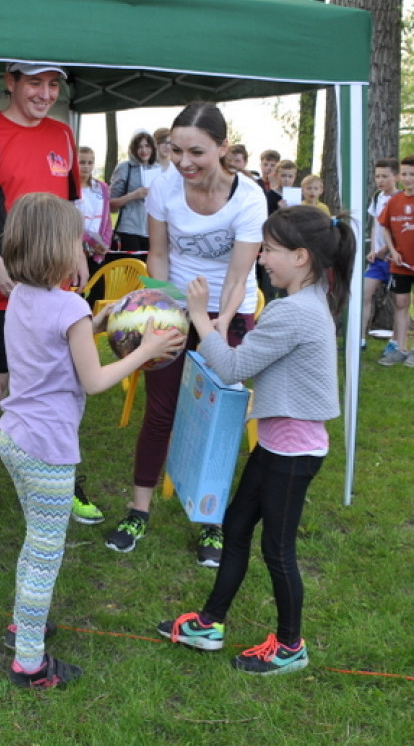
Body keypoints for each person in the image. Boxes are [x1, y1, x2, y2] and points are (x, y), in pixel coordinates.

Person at [157, 205, 355, 676]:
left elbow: (230, 368)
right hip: (277, 444)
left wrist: (201, 318)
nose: (263, 258)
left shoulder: (292, 312)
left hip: (294, 452)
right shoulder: (311, 300)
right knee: (237, 525)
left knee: (277, 550)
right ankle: (210, 623)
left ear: (302, 257)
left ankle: (291, 647)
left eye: (270, 250)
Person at [0, 192, 184, 689]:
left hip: (14, 437)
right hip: (47, 450)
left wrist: (97, 324)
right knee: (45, 554)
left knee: (34, 542)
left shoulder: (22, 294)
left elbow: (58, 345)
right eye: (78, 242)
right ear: (60, 249)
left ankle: (24, 624)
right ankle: (29, 661)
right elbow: (95, 382)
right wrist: (144, 349)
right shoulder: (69, 308)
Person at [0, 61, 98, 546]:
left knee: (66, 388)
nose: (45, 94)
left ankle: (64, 477)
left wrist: (77, 251)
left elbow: (69, 207)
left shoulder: (64, 136)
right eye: (35, 83)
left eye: (53, 85)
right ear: (10, 82)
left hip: (56, 292)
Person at [104, 102, 266, 568]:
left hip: (226, 312)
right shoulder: (162, 187)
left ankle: (212, 522)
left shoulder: (250, 197)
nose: (184, 162)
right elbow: (158, 256)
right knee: (162, 410)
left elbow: (238, 278)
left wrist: (215, 327)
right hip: (173, 307)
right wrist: (166, 308)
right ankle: (138, 510)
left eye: (197, 152)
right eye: (175, 150)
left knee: (220, 418)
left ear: (223, 149)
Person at [377, 155, 414, 369]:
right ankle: (400, 348)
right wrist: (392, 251)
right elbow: (386, 227)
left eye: (413, 174)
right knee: (401, 304)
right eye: (405, 174)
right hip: (399, 263)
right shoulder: (394, 201)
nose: (408, 179)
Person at [362, 158, 399, 353]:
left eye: (385, 176)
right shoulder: (377, 197)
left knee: (398, 302)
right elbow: (376, 224)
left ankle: (396, 342)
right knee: (365, 294)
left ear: (395, 177)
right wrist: (372, 249)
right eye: (377, 176)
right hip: (376, 260)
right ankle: (360, 338)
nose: (380, 180)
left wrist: (385, 250)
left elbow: (398, 230)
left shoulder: (400, 199)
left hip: (394, 259)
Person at [109, 131, 161, 256]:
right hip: (129, 230)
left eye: (147, 146)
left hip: (154, 231)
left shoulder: (159, 169)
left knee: (150, 272)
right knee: (133, 272)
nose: (143, 150)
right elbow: (110, 205)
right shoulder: (125, 168)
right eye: (139, 147)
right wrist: (134, 195)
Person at [75, 146, 112, 305]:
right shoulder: (69, 188)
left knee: (98, 292)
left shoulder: (101, 187)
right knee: (77, 290)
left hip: (97, 249)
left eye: (90, 162)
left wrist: (104, 243)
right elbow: (68, 220)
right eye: (81, 162)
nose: (86, 166)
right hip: (77, 248)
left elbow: (107, 219)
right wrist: (87, 242)